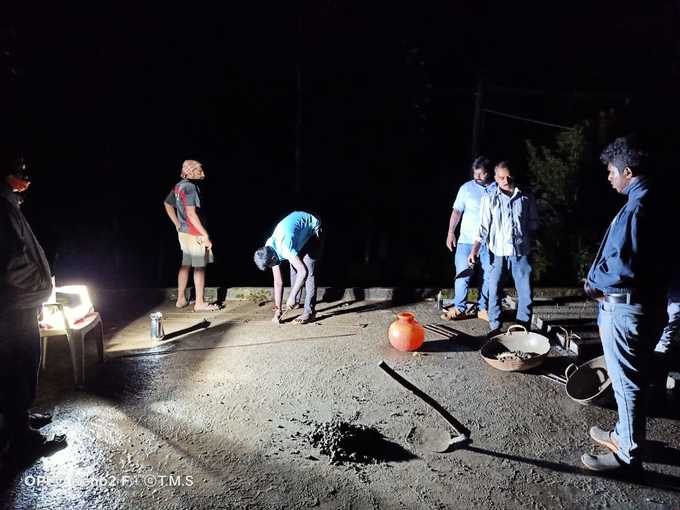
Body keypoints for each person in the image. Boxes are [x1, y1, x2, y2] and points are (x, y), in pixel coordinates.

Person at [581, 136, 664, 473]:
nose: (609, 177)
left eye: (612, 172)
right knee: (631, 376)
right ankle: (623, 434)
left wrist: (593, 283)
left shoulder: (638, 208)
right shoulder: (653, 200)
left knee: (626, 381)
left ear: (627, 171)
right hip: (644, 305)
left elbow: (624, 268)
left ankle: (628, 456)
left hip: (626, 308)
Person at [0, 156, 60, 460]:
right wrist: (40, 287)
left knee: (16, 367)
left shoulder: (9, 204)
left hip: (16, 302)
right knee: (19, 366)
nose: (27, 179)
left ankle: (17, 422)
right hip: (14, 304)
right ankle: (21, 440)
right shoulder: (2, 207)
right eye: (21, 173)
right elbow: (12, 263)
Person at [468, 161, 538, 333]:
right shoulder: (489, 198)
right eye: (501, 177)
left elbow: (534, 223)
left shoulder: (526, 197)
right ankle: (495, 326)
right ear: (495, 178)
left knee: (526, 293)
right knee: (494, 290)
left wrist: (533, 242)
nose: (506, 180)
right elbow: (483, 228)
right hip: (497, 252)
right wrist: (474, 250)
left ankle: (522, 327)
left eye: (508, 176)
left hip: (521, 252)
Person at [441, 156, 495, 322]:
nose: (477, 177)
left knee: (488, 275)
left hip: (488, 242)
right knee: (462, 275)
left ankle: (483, 308)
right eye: (475, 173)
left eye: (481, 174)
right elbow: (457, 211)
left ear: (490, 173)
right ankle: (459, 308)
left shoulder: (496, 189)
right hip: (466, 240)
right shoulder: (466, 188)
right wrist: (451, 232)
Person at [164, 160, 219, 312]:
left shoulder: (179, 186)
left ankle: (181, 299)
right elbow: (191, 213)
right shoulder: (190, 187)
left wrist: (177, 224)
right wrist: (205, 234)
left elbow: (167, 204)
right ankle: (199, 303)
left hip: (184, 232)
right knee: (199, 267)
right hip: (194, 233)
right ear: (190, 172)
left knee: (186, 264)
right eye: (199, 170)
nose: (203, 173)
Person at [253, 211, 323, 324]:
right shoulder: (269, 246)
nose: (272, 268)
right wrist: (278, 310)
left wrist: (291, 296)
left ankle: (309, 313)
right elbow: (278, 282)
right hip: (297, 234)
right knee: (294, 270)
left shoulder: (286, 248)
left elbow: (303, 272)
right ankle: (295, 302)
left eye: (271, 265)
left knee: (308, 272)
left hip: (313, 229)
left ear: (274, 259)